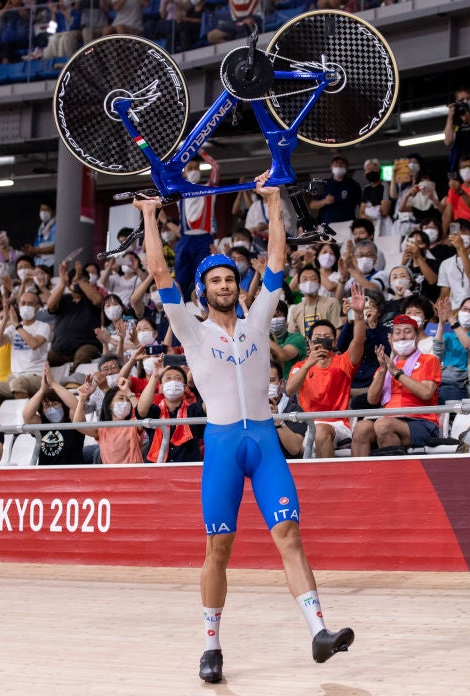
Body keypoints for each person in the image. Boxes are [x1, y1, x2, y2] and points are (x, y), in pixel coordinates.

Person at [138, 172, 355, 684]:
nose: (224, 285)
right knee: (219, 549)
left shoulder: (258, 319)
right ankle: (211, 645)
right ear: (203, 289)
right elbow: (158, 271)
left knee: (290, 535)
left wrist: (274, 205)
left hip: (262, 439)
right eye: (215, 280)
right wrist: (149, 217)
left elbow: (277, 261)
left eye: (230, 278)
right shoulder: (190, 327)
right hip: (222, 443)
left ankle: (318, 632)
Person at [351, 314, 442, 454]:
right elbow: (372, 399)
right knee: (361, 427)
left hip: (421, 421)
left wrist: (397, 374)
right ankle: (360, 475)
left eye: (407, 331)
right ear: (391, 339)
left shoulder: (429, 360)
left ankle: (393, 475)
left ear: (416, 337)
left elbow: (426, 393)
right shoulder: (387, 365)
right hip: (389, 419)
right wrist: (383, 370)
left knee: (383, 425)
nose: (402, 336)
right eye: (397, 332)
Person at [286, 309, 367, 458]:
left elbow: (359, 340)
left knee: (321, 432)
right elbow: (290, 390)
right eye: (317, 338)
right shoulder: (300, 366)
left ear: (335, 342)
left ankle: (328, 480)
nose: (322, 341)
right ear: (310, 343)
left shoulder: (344, 362)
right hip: (308, 425)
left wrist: (359, 314)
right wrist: (308, 364)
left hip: (338, 425)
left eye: (327, 337)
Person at [0, 293, 51, 401]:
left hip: (37, 377)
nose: (26, 306)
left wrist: (17, 325)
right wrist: (5, 318)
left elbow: (33, 344)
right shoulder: (12, 328)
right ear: (18, 306)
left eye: (30, 304)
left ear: (37, 307)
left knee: (17, 383)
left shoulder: (43, 326)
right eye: (23, 303)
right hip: (14, 378)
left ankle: (26, 414)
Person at [137, 360, 205, 463]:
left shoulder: (193, 411)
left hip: (186, 473)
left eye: (178, 379)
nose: (173, 381)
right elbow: (141, 410)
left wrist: (194, 387)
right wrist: (155, 377)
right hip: (157, 472)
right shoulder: (156, 411)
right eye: (168, 378)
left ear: (184, 386)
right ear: (161, 386)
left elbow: (208, 406)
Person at [174, 150, 219, 301]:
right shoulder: (178, 193)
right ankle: (182, 309)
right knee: (180, 280)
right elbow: (169, 174)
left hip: (203, 240)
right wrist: (182, 152)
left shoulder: (208, 189)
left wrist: (199, 149)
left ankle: (203, 309)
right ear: (184, 173)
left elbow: (216, 168)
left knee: (202, 278)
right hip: (185, 240)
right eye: (190, 168)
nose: (194, 171)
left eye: (196, 168)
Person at [73, 375, 144, 464]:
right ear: (110, 404)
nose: (126, 403)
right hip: (110, 475)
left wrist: (128, 392)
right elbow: (77, 424)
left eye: (128, 400)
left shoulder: (134, 425)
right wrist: (82, 399)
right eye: (121, 398)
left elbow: (142, 413)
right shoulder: (102, 428)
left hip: (134, 474)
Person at [22, 363, 84, 465]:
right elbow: (27, 415)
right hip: (46, 475)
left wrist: (53, 384)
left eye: (55, 404)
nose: (51, 409)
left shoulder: (72, 420)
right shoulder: (42, 424)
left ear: (63, 405)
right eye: (47, 406)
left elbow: (76, 406)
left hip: (72, 474)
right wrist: (42, 390)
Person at [432, 296, 470, 403]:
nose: (467, 312)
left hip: (462, 385)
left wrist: (451, 318)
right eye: (464, 309)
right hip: (442, 380)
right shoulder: (448, 336)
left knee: (442, 394)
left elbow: (469, 345)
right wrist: (441, 322)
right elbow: (437, 354)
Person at [436, 219, 470, 302]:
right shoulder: (445, 263)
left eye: (463, 231)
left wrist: (461, 248)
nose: (460, 236)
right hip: (454, 308)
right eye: (456, 233)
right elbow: (444, 294)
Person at [287, 265, 343, 337]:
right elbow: (293, 337)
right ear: (299, 286)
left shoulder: (331, 303)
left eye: (313, 279)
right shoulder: (295, 309)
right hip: (305, 347)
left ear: (319, 284)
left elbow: (337, 330)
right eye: (305, 279)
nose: (309, 282)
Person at [309, 154, 362, 225]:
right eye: (336, 163)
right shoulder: (322, 184)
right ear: (331, 166)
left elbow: (361, 205)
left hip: (348, 223)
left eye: (341, 164)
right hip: (327, 224)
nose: (339, 166)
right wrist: (324, 201)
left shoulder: (353, 185)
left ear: (347, 167)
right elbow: (312, 205)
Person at [358, 158, 393, 236]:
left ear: (380, 170)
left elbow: (384, 211)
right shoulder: (366, 189)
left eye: (374, 169)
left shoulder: (386, 186)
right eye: (368, 169)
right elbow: (361, 213)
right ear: (365, 173)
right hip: (369, 226)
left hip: (385, 225)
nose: (371, 171)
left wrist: (369, 212)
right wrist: (374, 211)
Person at [24, 201, 56, 270]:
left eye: (46, 210)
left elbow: (56, 247)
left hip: (51, 264)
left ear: (54, 211)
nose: (43, 212)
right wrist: (30, 250)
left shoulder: (56, 226)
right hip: (39, 264)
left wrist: (34, 250)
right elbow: (36, 247)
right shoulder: (41, 227)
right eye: (41, 209)